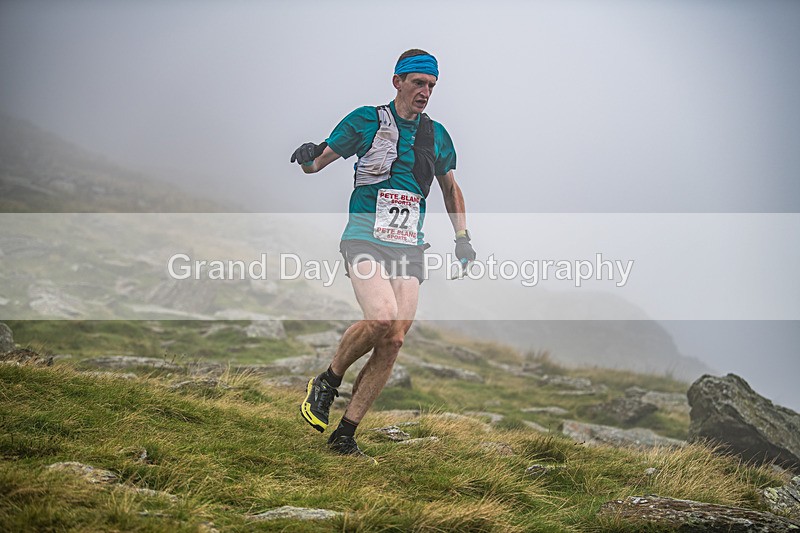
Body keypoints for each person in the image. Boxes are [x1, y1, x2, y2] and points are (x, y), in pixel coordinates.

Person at [291, 49, 476, 459]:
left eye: (431, 86)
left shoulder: (437, 135)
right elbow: (318, 161)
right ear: (397, 82)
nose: (425, 92)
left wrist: (462, 236)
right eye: (418, 83)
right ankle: (328, 380)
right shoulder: (366, 120)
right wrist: (306, 157)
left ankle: (345, 435)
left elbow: (450, 188)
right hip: (364, 237)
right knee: (380, 316)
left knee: (393, 339)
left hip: (408, 245)